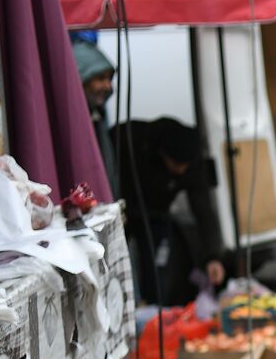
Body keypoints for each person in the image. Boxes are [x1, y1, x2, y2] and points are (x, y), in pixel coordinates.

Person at [113, 117, 225, 306]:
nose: (181, 170)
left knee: (158, 269)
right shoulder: (133, 139)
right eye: (176, 164)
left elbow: (203, 210)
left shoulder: (193, 164)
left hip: (157, 214)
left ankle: (155, 309)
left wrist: (212, 256)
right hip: (124, 209)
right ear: (163, 154)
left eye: (185, 167)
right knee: (118, 261)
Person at [71, 34, 118, 196]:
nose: (108, 85)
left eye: (109, 78)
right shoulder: (70, 124)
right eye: (100, 78)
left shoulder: (97, 116)